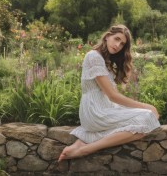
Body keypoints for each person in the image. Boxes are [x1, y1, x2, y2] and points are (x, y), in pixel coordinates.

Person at [58, 24, 160, 162]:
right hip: (95, 110)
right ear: (107, 37)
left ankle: (82, 142)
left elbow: (117, 93)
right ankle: (88, 148)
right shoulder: (94, 57)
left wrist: (127, 67)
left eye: (122, 44)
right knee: (147, 117)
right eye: (116, 39)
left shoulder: (106, 62)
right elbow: (113, 96)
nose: (118, 45)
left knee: (148, 118)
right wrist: (146, 106)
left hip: (105, 108)